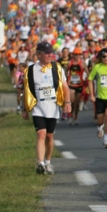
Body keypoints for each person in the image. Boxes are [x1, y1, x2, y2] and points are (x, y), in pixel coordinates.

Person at [21, 41, 71, 175]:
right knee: (41, 134)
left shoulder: (57, 68)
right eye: (47, 53)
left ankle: (48, 162)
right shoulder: (30, 70)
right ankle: (40, 163)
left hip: (53, 107)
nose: (50, 56)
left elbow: (65, 87)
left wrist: (67, 102)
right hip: (38, 107)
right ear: (39, 54)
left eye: (51, 53)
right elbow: (26, 91)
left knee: (49, 136)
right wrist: (24, 109)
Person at [67, 47, 87, 125]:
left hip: (79, 84)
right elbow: (65, 71)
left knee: (77, 103)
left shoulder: (82, 63)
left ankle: (76, 117)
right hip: (71, 84)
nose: (77, 56)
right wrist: (65, 81)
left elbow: (87, 73)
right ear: (73, 55)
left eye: (79, 54)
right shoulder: (69, 63)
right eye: (76, 54)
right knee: (72, 101)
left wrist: (88, 81)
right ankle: (70, 116)